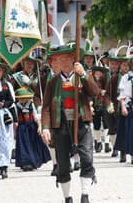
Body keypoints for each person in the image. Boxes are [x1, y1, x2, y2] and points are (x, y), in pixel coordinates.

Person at [41, 44, 100, 203]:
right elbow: (46, 107)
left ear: (74, 59)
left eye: (68, 58)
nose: (65, 62)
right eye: (61, 59)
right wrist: (45, 127)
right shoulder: (52, 83)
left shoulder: (82, 76)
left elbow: (95, 92)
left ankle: (85, 195)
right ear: (57, 62)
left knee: (87, 158)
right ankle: (67, 197)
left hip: (82, 124)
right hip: (61, 126)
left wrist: (85, 76)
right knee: (63, 165)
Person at [15, 87, 50, 171]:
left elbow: (36, 117)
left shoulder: (31, 105)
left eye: (24, 98)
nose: (22, 100)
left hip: (31, 127)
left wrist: (39, 126)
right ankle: (25, 163)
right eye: (20, 99)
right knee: (23, 145)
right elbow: (15, 118)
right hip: (22, 128)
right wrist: (15, 129)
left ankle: (33, 161)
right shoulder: (17, 106)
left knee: (32, 145)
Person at [91, 65, 110, 153]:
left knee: (106, 123)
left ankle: (106, 142)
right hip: (95, 105)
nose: (98, 75)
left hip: (104, 104)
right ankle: (98, 142)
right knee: (96, 124)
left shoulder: (105, 82)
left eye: (100, 73)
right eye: (96, 73)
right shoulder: (91, 82)